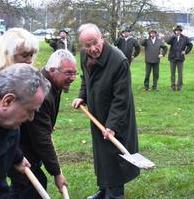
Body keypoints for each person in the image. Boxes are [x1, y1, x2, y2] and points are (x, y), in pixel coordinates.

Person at [72, 23, 140, 199]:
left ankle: (115, 194)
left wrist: (112, 126)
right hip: (97, 115)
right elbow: (85, 78)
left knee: (115, 157)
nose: (93, 49)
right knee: (102, 157)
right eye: (87, 45)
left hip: (117, 118)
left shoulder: (119, 61)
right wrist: (82, 96)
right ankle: (104, 190)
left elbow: (121, 99)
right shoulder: (84, 55)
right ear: (82, 46)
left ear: (102, 38)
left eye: (95, 42)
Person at [9, 49, 77, 199]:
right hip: (19, 148)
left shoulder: (54, 85)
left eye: (74, 73)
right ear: (52, 70)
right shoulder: (42, 92)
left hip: (25, 148)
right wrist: (57, 173)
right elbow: (42, 139)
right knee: (32, 188)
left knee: (21, 189)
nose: (72, 78)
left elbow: (44, 133)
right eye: (68, 73)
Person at [0, 63, 50, 199]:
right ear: (7, 101)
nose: (31, 118)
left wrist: (18, 157)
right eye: (30, 111)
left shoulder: (11, 127)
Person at [166, 25, 193, 91]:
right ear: (175, 31)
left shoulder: (185, 38)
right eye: (176, 30)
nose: (177, 32)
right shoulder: (173, 38)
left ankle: (179, 86)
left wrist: (186, 51)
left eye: (179, 31)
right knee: (172, 73)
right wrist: (173, 36)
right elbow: (168, 42)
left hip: (180, 58)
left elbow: (190, 45)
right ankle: (173, 86)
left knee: (180, 73)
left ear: (181, 31)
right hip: (172, 57)